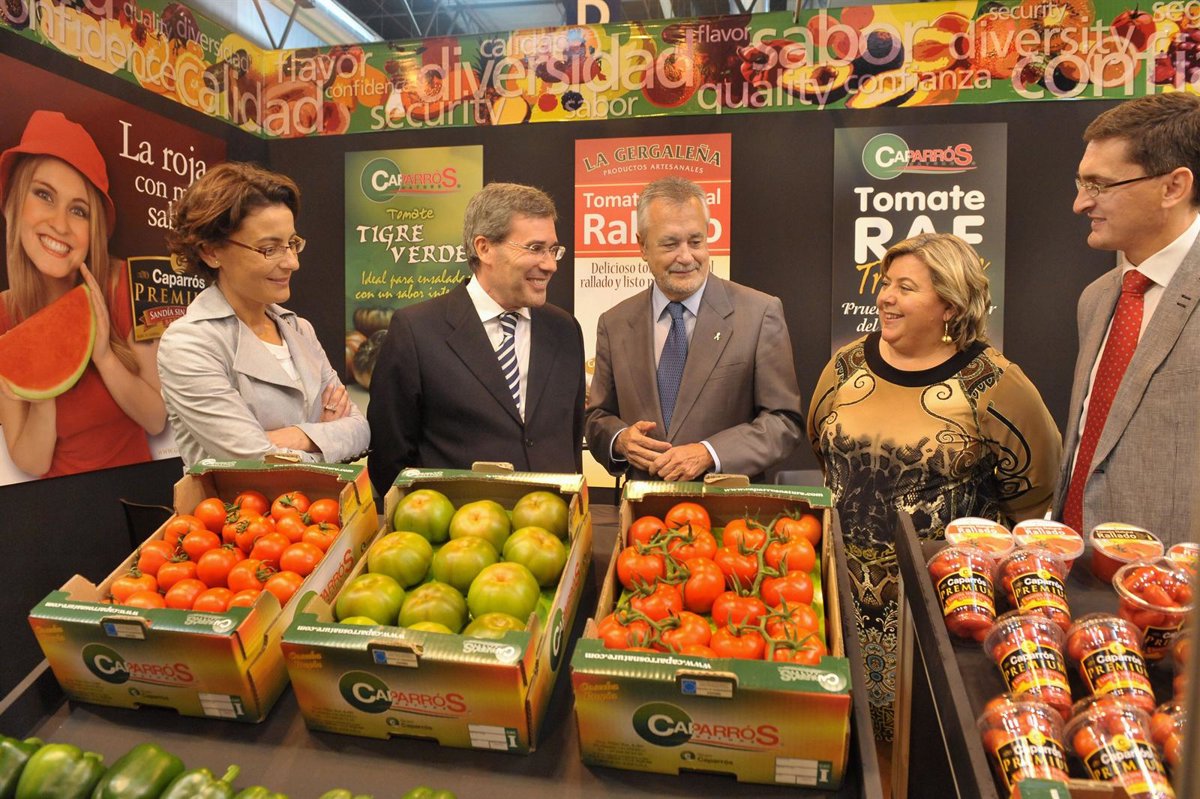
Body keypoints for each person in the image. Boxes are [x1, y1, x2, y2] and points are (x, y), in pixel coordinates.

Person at [808, 232, 1061, 740]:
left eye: (906, 288)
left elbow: (1036, 488)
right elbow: (820, 445)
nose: (885, 297)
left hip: (941, 607)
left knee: (924, 745)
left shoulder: (994, 382)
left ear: (950, 305)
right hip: (838, 595)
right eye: (886, 283)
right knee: (843, 738)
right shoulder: (847, 364)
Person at [367, 182, 585, 495]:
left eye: (553, 250)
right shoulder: (416, 331)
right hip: (457, 522)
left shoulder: (564, 329)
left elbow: (571, 440)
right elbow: (390, 458)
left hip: (553, 519)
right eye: (535, 248)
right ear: (484, 248)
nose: (550, 264)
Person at [585, 176, 803, 482]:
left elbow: (784, 422)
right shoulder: (615, 323)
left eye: (696, 241)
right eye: (670, 244)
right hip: (642, 506)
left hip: (726, 507)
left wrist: (710, 453)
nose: (686, 257)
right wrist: (620, 440)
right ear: (642, 246)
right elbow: (597, 418)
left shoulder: (759, 313)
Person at [1056, 93, 1200, 546]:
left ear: (1173, 187)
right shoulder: (1096, 299)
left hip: (1174, 582)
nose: (1080, 203)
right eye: (1081, 183)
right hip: (1076, 569)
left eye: (1099, 185)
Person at [159, 162, 368, 468]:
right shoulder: (190, 343)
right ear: (211, 252)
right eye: (270, 249)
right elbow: (253, 459)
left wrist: (292, 436)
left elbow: (360, 429)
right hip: (241, 502)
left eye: (292, 244)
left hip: (318, 500)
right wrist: (325, 435)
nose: (292, 262)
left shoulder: (299, 329)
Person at [0, 110, 165, 478]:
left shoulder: (128, 285)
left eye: (78, 210)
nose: (60, 224)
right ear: (14, 203)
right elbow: (31, 461)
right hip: (55, 501)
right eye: (44, 195)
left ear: (95, 231)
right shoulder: (3, 317)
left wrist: (104, 356)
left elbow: (156, 419)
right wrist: (43, 387)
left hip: (133, 493)